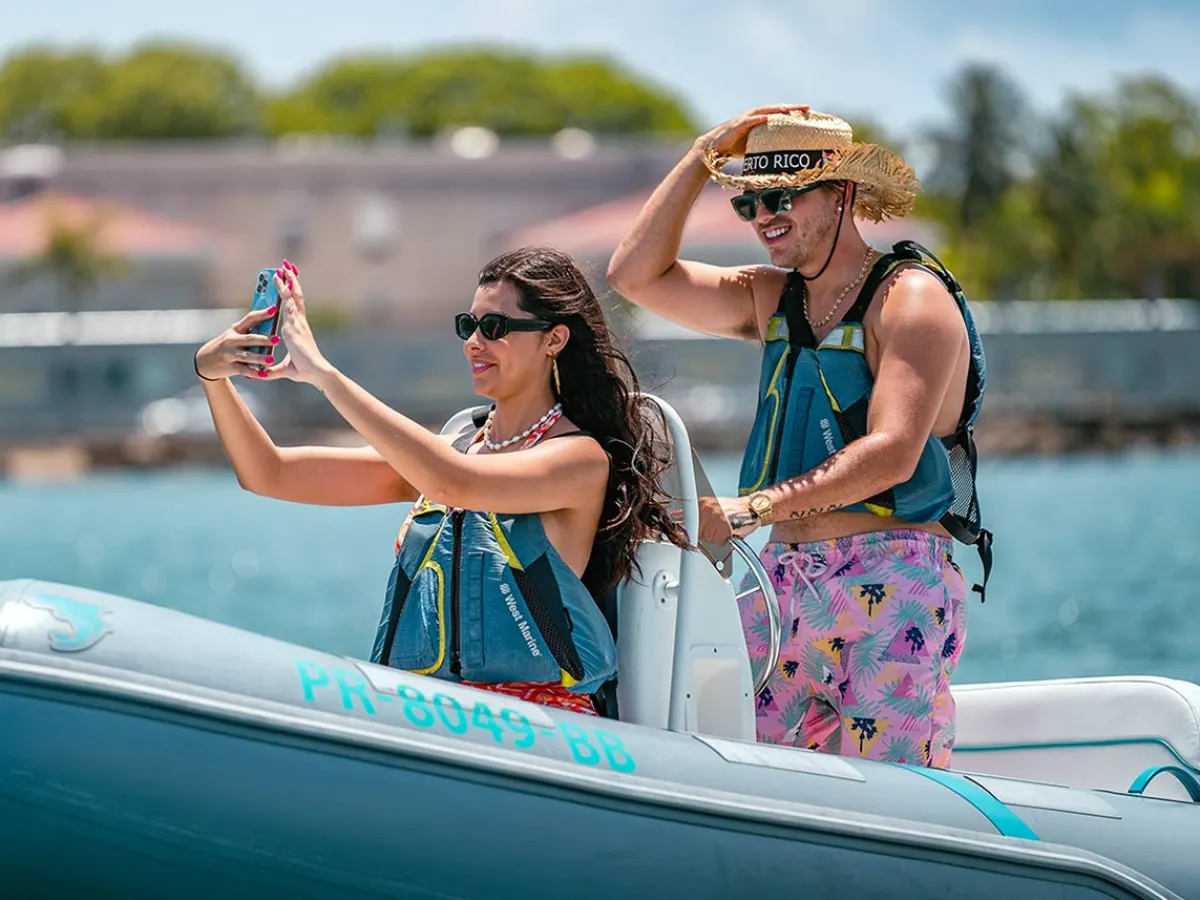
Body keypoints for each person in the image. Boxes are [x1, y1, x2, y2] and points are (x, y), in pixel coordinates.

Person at [607, 106, 991, 768]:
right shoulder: (769, 297)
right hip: (779, 583)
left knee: (894, 801)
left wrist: (754, 508)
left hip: (891, 579)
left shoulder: (911, 299)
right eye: (749, 203)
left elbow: (894, 453)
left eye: (781, 197)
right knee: (758, 778)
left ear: (842, 195)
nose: (762, 218)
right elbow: (634, 276)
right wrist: (702, 156)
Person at [193, 246, 687, 716]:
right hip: (432, 709)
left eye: (494, 327)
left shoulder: (577, 460)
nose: (475, 342)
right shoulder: (455, 450)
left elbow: (456, 484)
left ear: (554, 339)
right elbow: (269, 473)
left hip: (540, 721)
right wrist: (213, 378)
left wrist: (324, 374)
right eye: (469, 325)